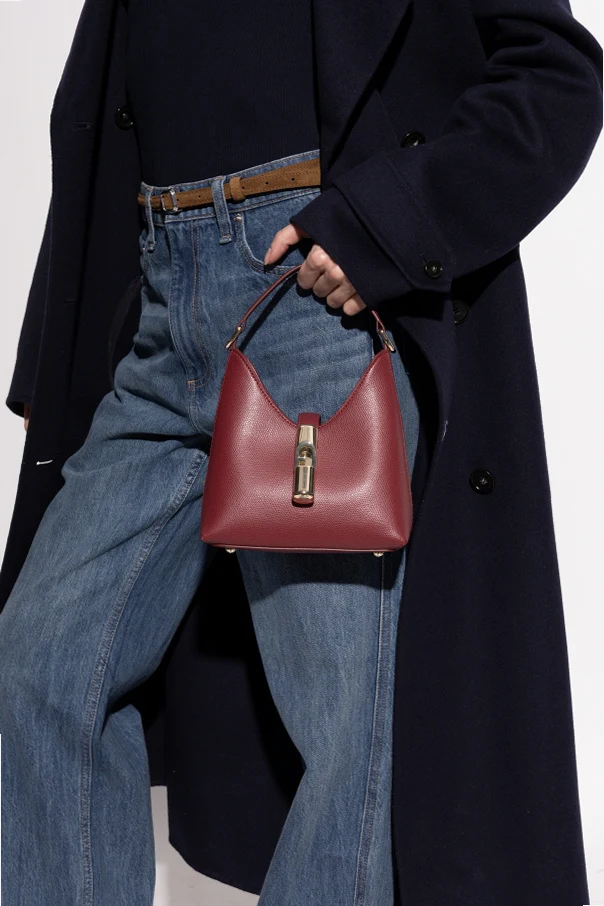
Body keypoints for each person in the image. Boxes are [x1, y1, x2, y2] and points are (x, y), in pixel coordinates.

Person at [0, 0, 601, 904]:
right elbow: (100, 99)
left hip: (312, 300)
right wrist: (57, 346)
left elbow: (555, 73)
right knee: (42, 664)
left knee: (343, 729)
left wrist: (385, 224)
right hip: (158, 289)